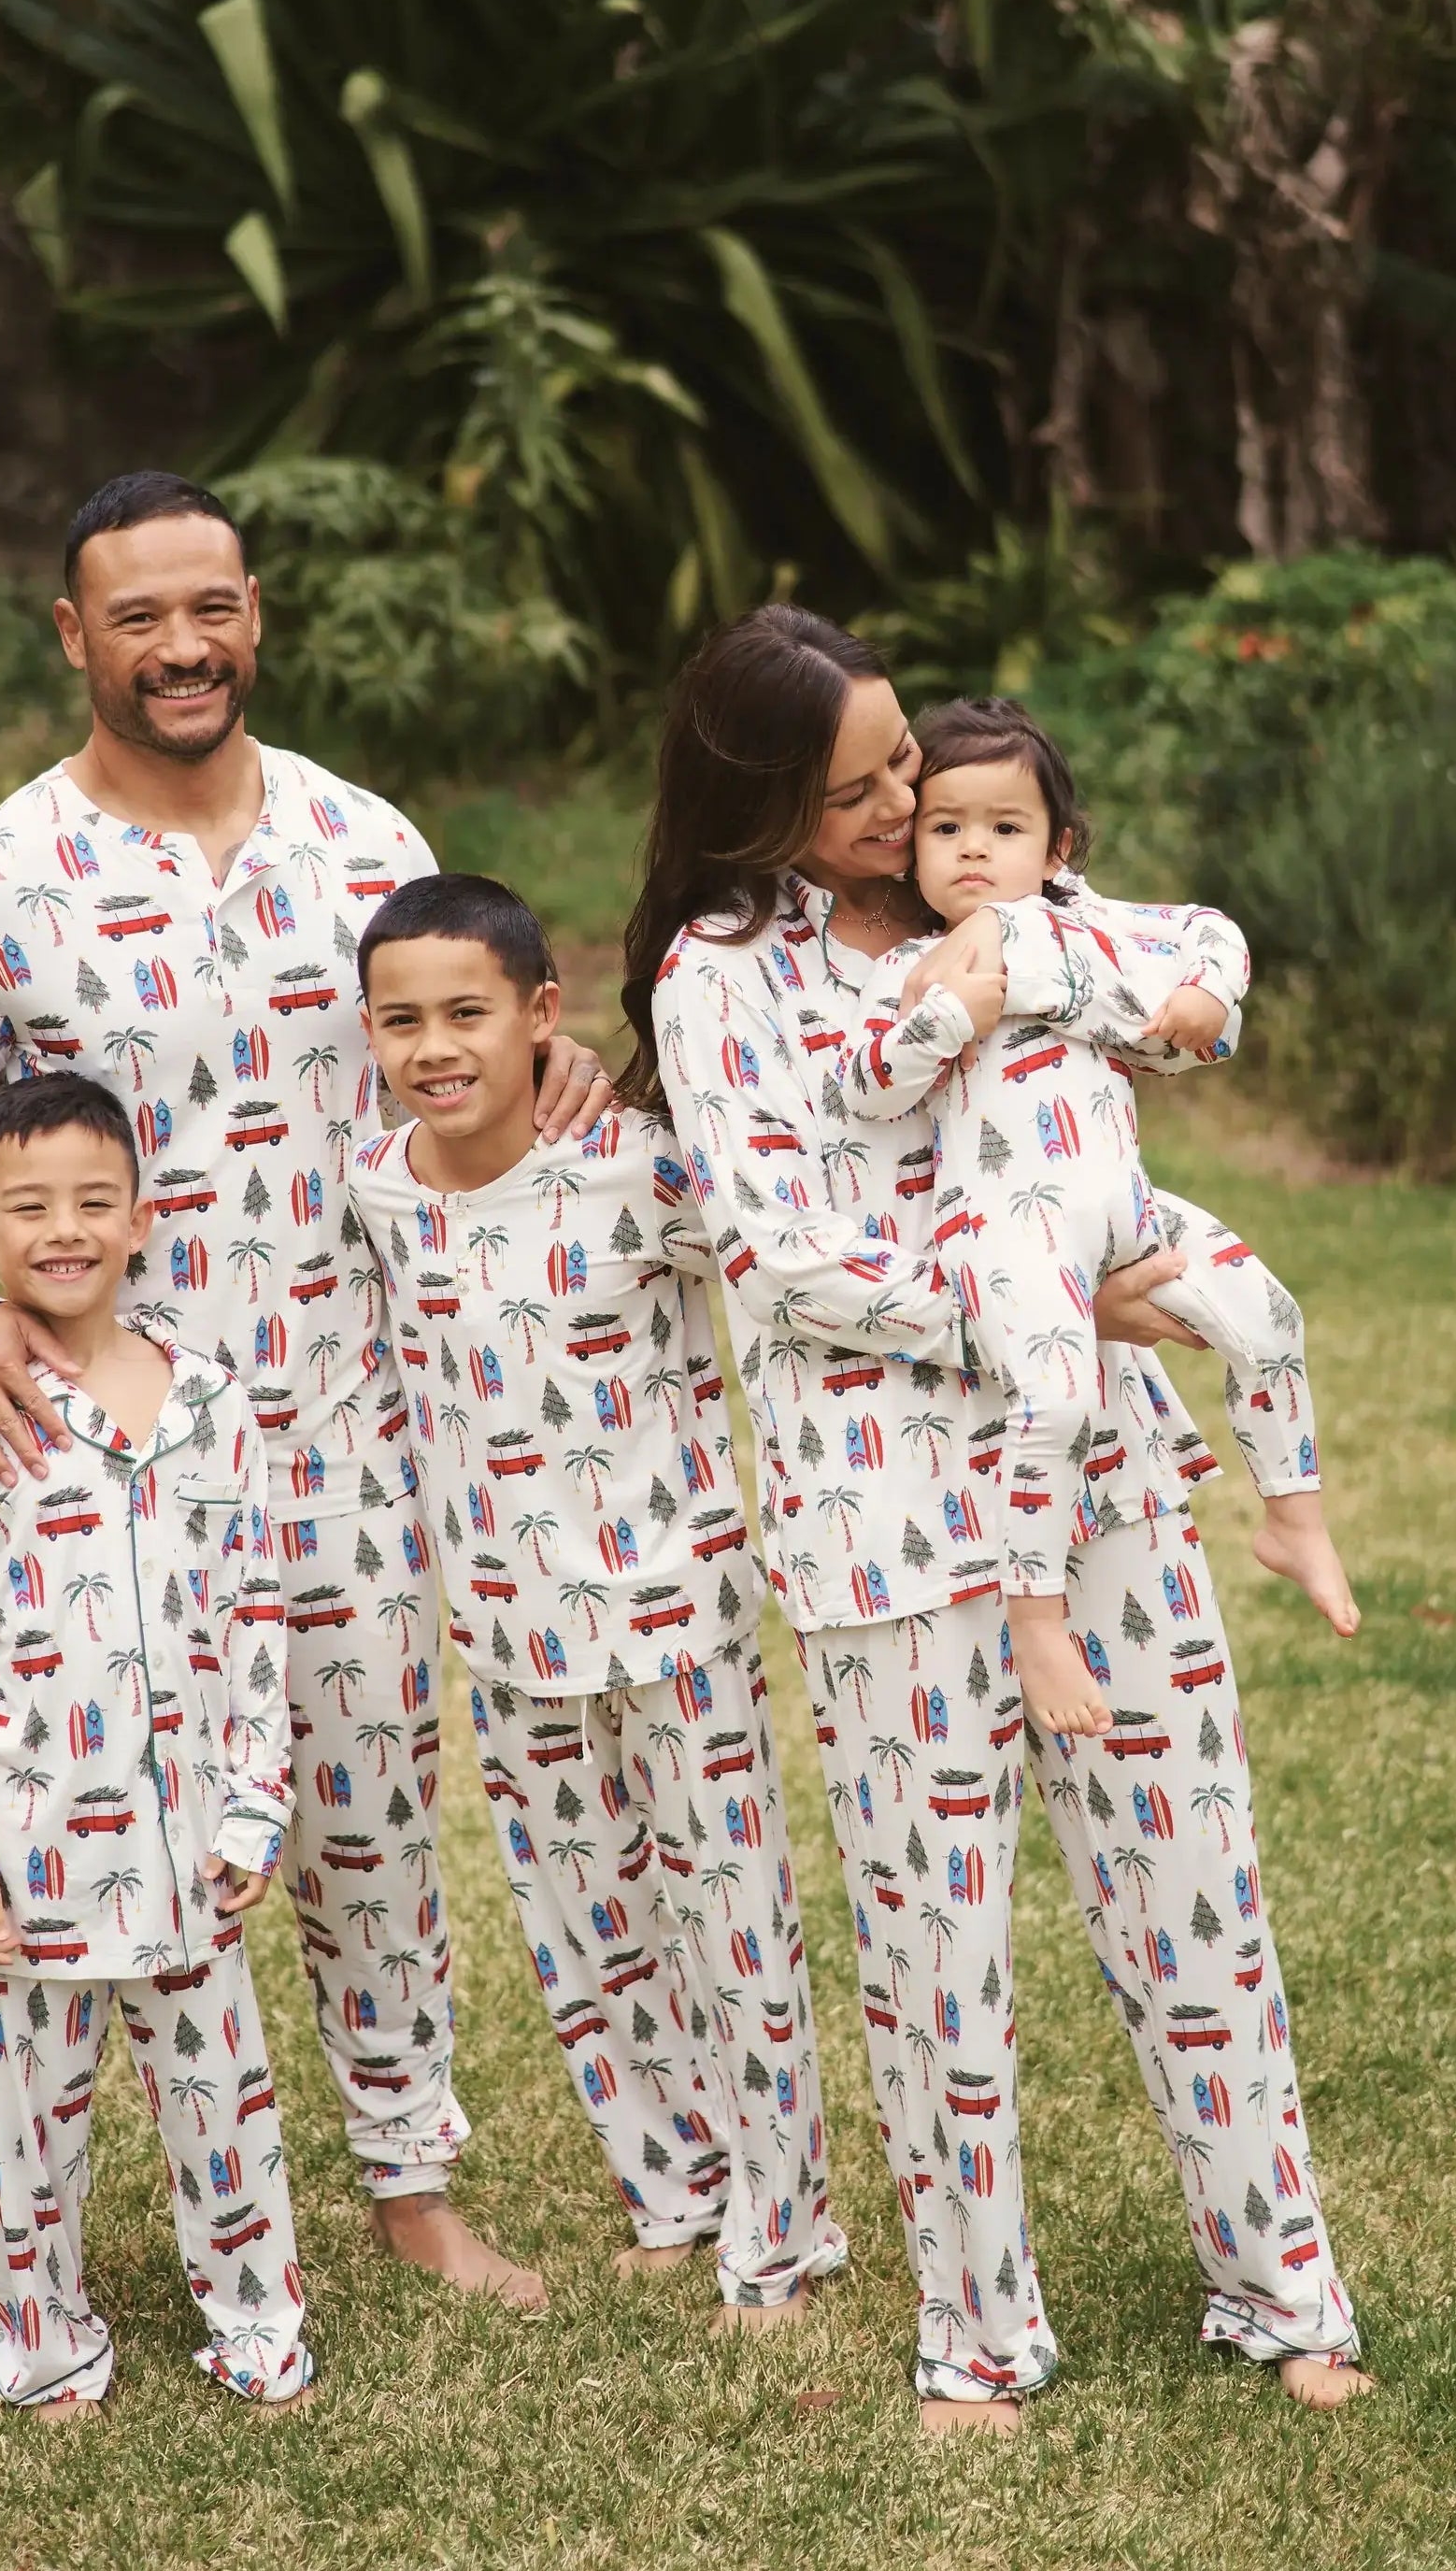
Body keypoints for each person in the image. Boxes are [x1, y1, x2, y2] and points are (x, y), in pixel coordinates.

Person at [0, 469, 613, 2314]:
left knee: (364, 1816)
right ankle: (42, 2214)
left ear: (255, 611)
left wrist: (545, 1063)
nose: (182, 646)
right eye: (138, 616)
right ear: (72, 635)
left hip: (348, 1431)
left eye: (212, 608)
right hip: (97, 1461)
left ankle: (409, 2177)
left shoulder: (363, 840)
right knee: (86, 1811)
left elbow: (448, 1038)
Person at [621, 605, 1369, 2421]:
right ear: (761, 801)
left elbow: (1201, 1013)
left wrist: (1059, 988)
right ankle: (976, 2331)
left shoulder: (1010, 892)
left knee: (1194, 1888)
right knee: (931, 1947)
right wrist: (1038, 1298)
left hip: (1101, 1474)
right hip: (883, 1523)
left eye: (904, 759)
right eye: (863, 779)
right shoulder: (723, 978)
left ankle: (1284, 2294)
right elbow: (786, 1261)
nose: (904, 795)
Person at [347, 874, 847, 2325]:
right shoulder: (377, 1192)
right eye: (403, 1023)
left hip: (676, 1611)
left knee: (727, 1910)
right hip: (505, 1635)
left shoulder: (640, 1169)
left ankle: (782, 2224)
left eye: (467, 1014)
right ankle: (674, 2187)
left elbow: (791, 1261)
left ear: (538, 1016)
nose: (437, 1048)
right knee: (589, 1928)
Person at [0, 1072, 309, 2415]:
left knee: (223, 2102)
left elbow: (255, 1606)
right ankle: (42, 2333)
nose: (63, 1229)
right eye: (28, 1207)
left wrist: (256, 1803)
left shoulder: (210, 1402)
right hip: (32, 1851)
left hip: (191, 1843)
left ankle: (259, 2326)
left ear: (143, 1220)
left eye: (93, 1202)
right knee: (24, 2114)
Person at [836, 694, 1359, 1736]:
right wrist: (948, 1018)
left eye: (1003, 828)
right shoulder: (910, 967)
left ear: (1057, 844)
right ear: (911, 850)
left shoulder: (1099, 924)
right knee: (1056, 1400)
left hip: (1125, 1209)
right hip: (1004, 1228)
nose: (972, 851)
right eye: (945, 828)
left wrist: (1210, 995)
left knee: (1266, 1314)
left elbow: (1209, 933)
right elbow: (864, 1082)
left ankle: (1291, 1515)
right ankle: (1035, 1621)